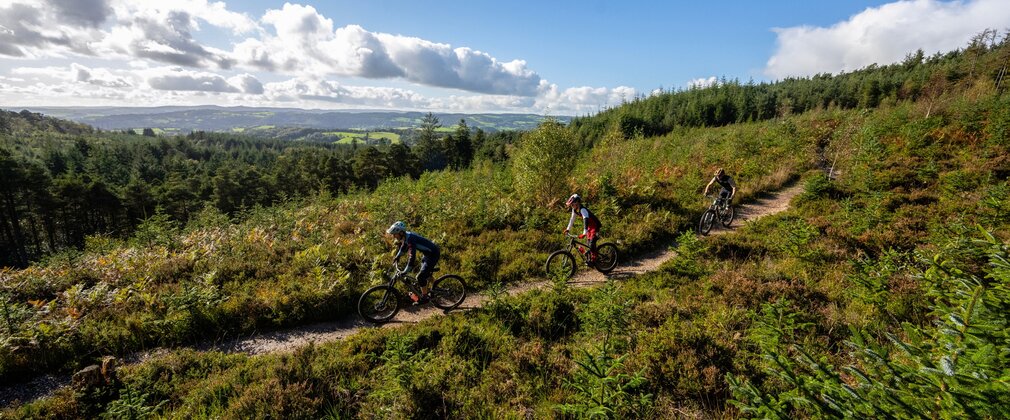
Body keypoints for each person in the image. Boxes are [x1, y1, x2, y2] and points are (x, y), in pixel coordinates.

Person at [386, 221, 440, 305]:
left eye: (395, 234)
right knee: (425, 274)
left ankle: (425, 297)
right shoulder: (406, 236)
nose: (393, 236)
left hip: (433, 254)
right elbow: (404, 247)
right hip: (427, 254)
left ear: (400, 232)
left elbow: (412, 257)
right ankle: (436, 287)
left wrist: (406, 271)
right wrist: (397, 256)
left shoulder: (410, 238)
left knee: (420, 277)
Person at [563, 194, 602, 265]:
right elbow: (572, 219)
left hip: (595, 226)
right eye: (571, 205)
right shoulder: (574, 210)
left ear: (577, 202)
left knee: (591, 244)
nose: (572, 206)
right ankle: (590, 257)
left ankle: (595, 260)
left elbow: (585, 220)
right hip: (589, 227)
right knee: (588, 243)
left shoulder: (582, 209)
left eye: (572, 204)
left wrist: (584, 233)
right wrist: (568, 229)